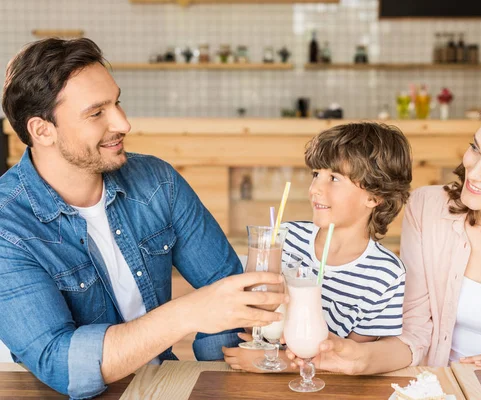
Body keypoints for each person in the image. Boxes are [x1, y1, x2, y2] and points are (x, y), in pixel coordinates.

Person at [0, 38, 285, 399]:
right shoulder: (7, 226)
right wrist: (186, 314)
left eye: (116, 102)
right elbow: (61, 365)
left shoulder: (157, 182)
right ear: (42, 130)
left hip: (162, 386)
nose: (123, 122)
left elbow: (232, 297)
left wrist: (222, 382)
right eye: (97, 112)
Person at [285, 88, 481, 373]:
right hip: (443, 388)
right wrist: (359, 358)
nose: (473, 173)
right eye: (475, 149)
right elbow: (415, 333)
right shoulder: (428, 209)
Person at [222, 122, 412, 373]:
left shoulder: (385, 274)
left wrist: (274, 363)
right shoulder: (287, 239)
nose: (315, 189)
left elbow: (344, 360)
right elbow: (255, 321)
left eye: (333, 178)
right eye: (316, 175)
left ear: (375, 197)